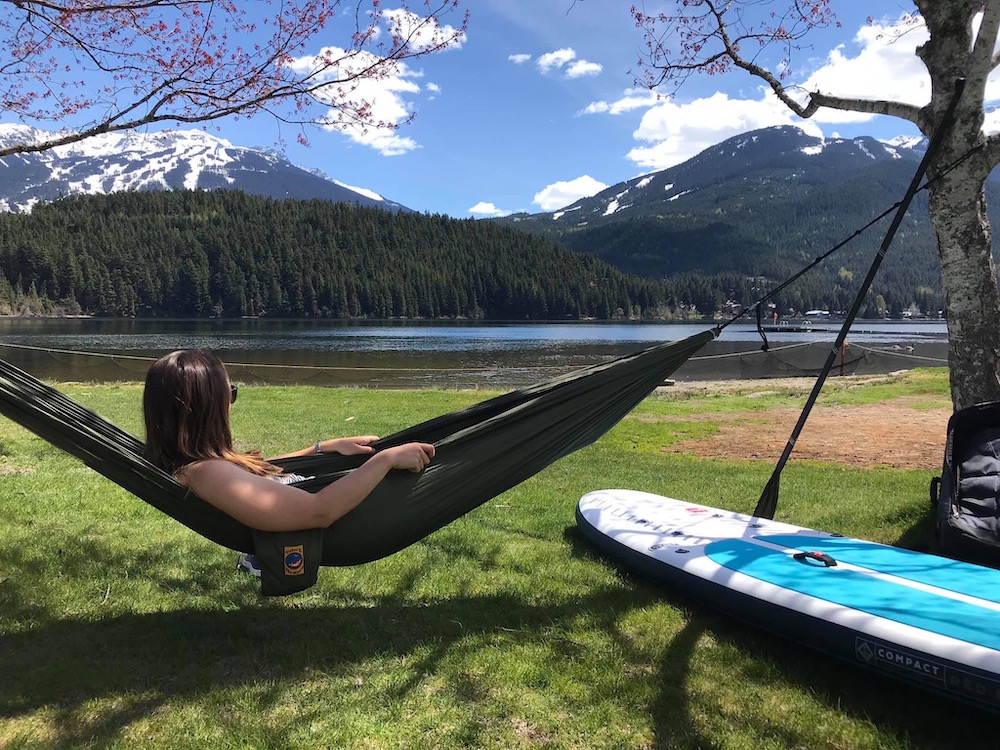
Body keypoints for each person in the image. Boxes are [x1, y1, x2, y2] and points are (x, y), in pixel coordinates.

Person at [143, 349, 435, 577]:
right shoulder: (206, 473)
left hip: (332, 495)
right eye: (229, 395)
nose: (231, 404)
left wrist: (322, 448)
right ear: (205, 408)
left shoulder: (202, 464)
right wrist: (385, 460)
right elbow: (318, 512)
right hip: (342, 515)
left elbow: (261, 477)